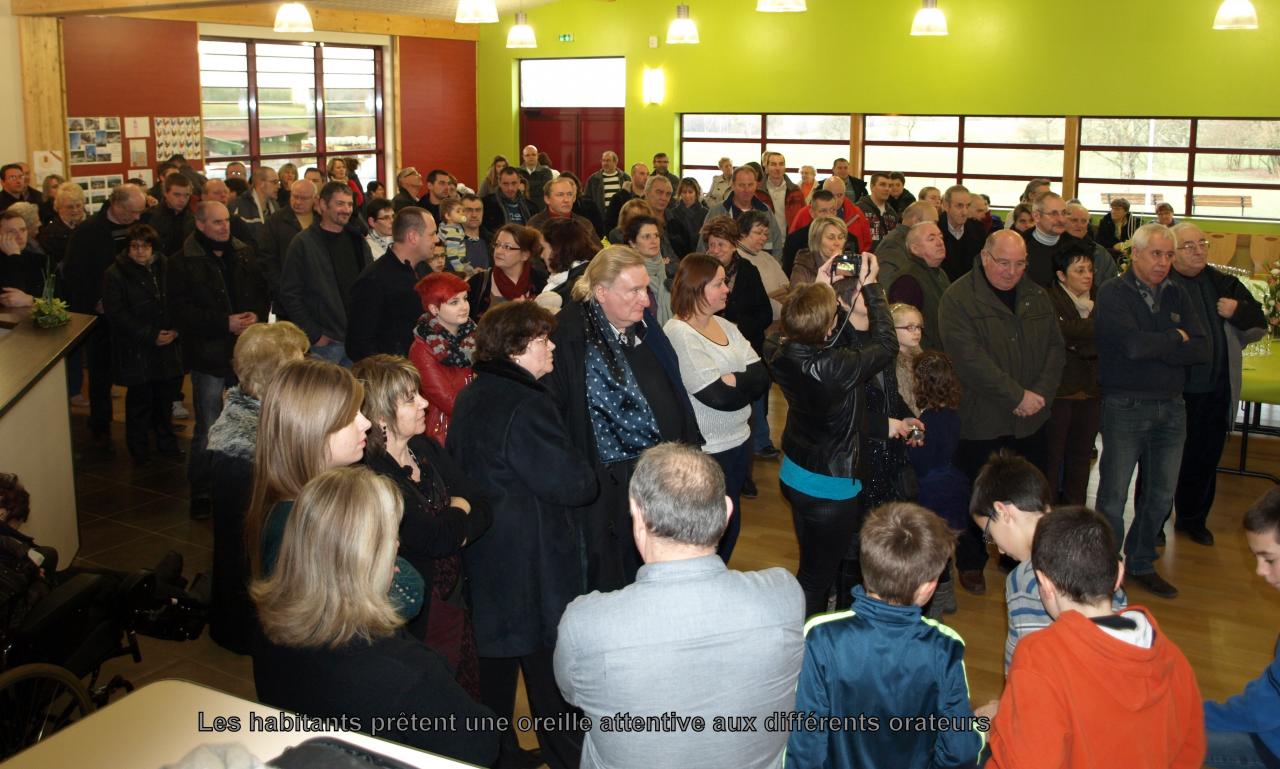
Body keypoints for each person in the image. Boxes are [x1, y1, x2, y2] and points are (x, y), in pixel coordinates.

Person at [554, 443, 804, 769]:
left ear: (637, 515)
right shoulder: (783, 595)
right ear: (728, 512)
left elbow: (573, 695)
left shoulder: (584, 623)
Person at [250, 467, 499, 766]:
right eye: (391, 538)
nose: (397, 545)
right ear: (368, 558)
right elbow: (482, 743)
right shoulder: (408, 674)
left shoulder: (270, 628)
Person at [447, 301, 598, 769]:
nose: (552, 346)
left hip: (489, 548)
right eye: (542, 341)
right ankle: (568, 756)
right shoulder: (527, 404)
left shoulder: (476, 392)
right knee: (546, 669)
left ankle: (497, 754)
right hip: (530, 557)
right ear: (516, 350)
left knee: (494, 665)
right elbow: (574, 483)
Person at [987, 506, 1205, 769]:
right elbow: (1190, 750)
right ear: (1119, 575)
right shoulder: (1172, 656)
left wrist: (997, 726)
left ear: (1044, 583)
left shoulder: (1038, 658)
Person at [542, 246, 701, 591]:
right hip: (607, 486)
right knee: (615, 570)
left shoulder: (643, 324)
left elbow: (674, 386)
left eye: (645, 289)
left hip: (659, 472)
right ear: (601, 292)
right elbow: (557, 417)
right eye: (634, 290)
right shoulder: (568, 336)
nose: (646, 300)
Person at [787, 502, 984, 769]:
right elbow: (961, 752)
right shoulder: (945, 647)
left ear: (865, 565)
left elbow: (805, 742)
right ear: (928, 588)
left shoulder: (822, 636)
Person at [354, 355, 492, 694]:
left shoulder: (424, 446)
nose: (424, 403)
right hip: (418, 616)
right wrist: (459, 512)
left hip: (457, 600)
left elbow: (482, 503)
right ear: (381, 414)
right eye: (410, 398)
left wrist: (453, 525)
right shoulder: (372, 474)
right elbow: (434, 539)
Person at [768, 255, 897, 617]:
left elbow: (805, 327)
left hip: (794, 473)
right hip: (830, 488)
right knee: (815, 578)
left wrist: (819, 289)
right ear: (827, 330)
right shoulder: (834, 367)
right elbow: (888, 346)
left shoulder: (779, 352)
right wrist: (872, 288)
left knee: (811, 563)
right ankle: (805, 647)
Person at [938, 230, 1064, 595]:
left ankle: (1019, 559)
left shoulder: (1036, 295)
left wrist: (1039, 393)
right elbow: (969, 360)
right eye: (1003, 262)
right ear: (984, 257)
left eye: (1020, 263)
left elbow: (1056, 349)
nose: (1011, 272)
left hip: (1031, 419)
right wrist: (1016, 395)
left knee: (1026, 496)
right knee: (976, 496)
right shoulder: (959, 298)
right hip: (982, 419)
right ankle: (972, 561)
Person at [1094, 223, 1208, 599]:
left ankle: (1141, 561)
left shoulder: (1178, 292)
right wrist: (1176, 338)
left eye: (1169, 255)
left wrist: (1159, 344)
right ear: (1136, 254)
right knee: (1113, 494)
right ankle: (1105, 569)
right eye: (1156, 254)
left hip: (1172, 406)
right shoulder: (1113, 292)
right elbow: (1131, 347)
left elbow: (1201, 347)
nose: (1164, 262)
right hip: (1124, 404)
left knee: (1161, 494)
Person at [968, 451, 1127, 673]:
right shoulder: (1095, 549)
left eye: (990, 535)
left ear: (1003, 512)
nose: (1000, 550)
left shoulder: (1023, 580)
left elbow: (1025, 665)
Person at [206, 321, 309, 654]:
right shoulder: (246, 447)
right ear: (276, 374)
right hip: (252, 607)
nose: (305, 365)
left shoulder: (250, 411)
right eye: (299, 359)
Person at [168, 200, 270, 518]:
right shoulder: (182, 261)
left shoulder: (242, 252)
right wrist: (223, 322)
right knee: (209, 424)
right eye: (216, 223)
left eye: (226, 221)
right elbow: (180, 311)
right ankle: (202, 489)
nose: (224, 227)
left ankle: (250, 483)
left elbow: (261, 290)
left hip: (245, 354)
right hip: (207, 354)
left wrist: (257, 313)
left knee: (252, 419)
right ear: (200, 225)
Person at [665, 254, 770, 562]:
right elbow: (717, 398)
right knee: (710, 530)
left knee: (731, 519)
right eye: (719, 283)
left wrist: (733, 380)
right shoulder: (679, 333)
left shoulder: (724, 324)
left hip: (739, 438)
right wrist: (741, 381)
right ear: (697, 287)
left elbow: (762, 377)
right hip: (708, 449)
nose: (727, 289)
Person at [1166, 221, 1266, 545]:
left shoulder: (1223, 282)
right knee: (1162, 461)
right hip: (1171, 393)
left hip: (1215, 389)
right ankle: (1153, 525)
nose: (1199, 251)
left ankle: (1193, 520)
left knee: (1204, 460)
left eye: (1203, 244)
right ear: (1172, 252)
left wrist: (1238, 311)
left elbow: (1259, 324)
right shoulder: (1161, 283)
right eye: (1189, 246)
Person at [65, 183, 148, 453]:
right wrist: (94, 303)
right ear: (117, 205)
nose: (137, 218)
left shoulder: (137, 227)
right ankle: (100, 426)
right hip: (100, 315)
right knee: (100, 375)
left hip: (132, 313)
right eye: (133, 212)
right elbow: (76, 274)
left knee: (138, 372)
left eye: (140, 212)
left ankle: (140, 428)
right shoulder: (88, 232)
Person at [1203, 486, 1280, 769]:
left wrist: (1190, 715)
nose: (1260, 571)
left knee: (1171, 737)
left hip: (1272, 746)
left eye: (1269, 559)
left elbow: (1261, 711)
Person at [101, 222, 183, 465]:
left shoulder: (166, 267)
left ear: (153, 248)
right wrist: (150, 335)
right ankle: (139, 451)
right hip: (136, 347)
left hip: (167, 343)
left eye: (145, 247)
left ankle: (167, 444)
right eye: (134, 247)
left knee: (165, 400)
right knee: (139, 403)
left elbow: (180, 299)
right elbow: (117, 314)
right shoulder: (115, 273)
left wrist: (175, 329)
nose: (140, 252)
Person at [280, 181, 373, 367]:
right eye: (340, 204)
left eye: (349, 204)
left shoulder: (357, 240)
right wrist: (314, 334)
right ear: (322, 205)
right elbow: (290, 294)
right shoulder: (303, 243)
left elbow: (370, 284)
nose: (346, 209)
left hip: (357, 339)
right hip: (325, 343)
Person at [907, 348, 967, 617]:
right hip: (952, 488)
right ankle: (948, 594)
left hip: (929, 492)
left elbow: (919, 459)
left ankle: (934, 607)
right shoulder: (952, 415)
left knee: (930, 550)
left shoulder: (923, 422)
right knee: (944, 546)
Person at [1044, 242, 1101, 506]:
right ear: (1062, 275)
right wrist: (1090, 333)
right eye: (1079, 270)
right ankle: (1049, 512)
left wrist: (1077, 337)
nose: (1087, 275)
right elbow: (1059, 335)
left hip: (1091, 390)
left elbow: (1106, 336)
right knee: (1053, 458)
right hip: (1060, 390)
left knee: (1081, 457)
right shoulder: (1049, 299)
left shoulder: (1099, 300)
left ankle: (1075, 510)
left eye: (1090, 269)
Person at [346, 206, 435, 363]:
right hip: (393, 377)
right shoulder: (373, 280)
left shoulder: (423, 270)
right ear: (413, 237)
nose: (437, 239)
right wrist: (390, 372)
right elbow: (359, 344)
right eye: (432, 234)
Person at [408, 271, 475, 445]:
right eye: (454, 302)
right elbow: (449, 402)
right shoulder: (422, 349)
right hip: (446, 432)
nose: (464, 306)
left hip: (476, 421)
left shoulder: (476, 335)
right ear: (434, 309)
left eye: (465, 299)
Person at [885, 221, 951, 351]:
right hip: (923, 360)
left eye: (941, 237)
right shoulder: (907, 281)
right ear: (915, 248)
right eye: (931, 239)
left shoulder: (939, 273)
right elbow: (903, 329)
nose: (940, 242)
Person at [258, 178, 315, 313]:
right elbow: (267, 259)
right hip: (287, 295)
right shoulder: (275, 221)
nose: (298, 202)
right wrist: (281, 288)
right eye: (295, 196)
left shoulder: (321, 219)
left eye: (304, 198)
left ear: (315, 199)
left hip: (318, 296)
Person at [700, 166, 784, 255]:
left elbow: (776, 245)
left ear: (756, 185)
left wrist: (773, 266)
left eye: (750, 185)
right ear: (732, 185)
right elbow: (702, 247)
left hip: (762, 267)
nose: (746, 190)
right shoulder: (717, 212)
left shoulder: (766, 212)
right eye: (741, 185)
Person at [537, 216, 598, 311]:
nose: (541, 255)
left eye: (543, 248)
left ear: (556, 249)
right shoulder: (594, 271)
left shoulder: (567, 290)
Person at [623, 214, 673, 326]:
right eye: (646, 237)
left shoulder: (664, 269)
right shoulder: (628, 278)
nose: (654, 241)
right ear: (632, 243)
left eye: (656, 235)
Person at [1063, 202, 1119, 285]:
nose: (1079, 225)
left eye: (1084, 221)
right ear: (1062, 221)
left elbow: (1111, 283)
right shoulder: (1053, 247)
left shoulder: (1100, 253)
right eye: (1074, 220)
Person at [939, 185, 987, 281]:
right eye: (959, 206)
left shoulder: (979, 230)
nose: (965, 212)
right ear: (946, 206)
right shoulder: (934, 230)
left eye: (968, 206)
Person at [141, 172, 194, 256]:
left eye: (186, 195)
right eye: (177, 195)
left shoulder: (193, 219)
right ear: (165, 192)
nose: (182, 200)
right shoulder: (149, 216)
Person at [788, 214, 849, 286]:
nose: (837, 243)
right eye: (831, 238)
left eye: (841, 237)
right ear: (817, 240)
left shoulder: (848, 264)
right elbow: (796, 296)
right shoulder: (803, 265)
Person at [0, 209, 44, 305]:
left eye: (23, 230)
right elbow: (11, 300)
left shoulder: (40, 260)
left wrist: (32, 300)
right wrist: (14, 257)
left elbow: (60, 300)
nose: (20, 236)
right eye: (12, 231)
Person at [760, 151, 805, 230]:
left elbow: (803, 218)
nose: (778, 168)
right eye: (773, 164)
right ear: (766, 167)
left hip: (790, 239)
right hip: (764, 239)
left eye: (781, 164)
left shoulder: (796, 192)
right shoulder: (758, 192)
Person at [482, 166, 534, 232]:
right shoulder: (487, 204)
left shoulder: (531, 207)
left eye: (514, 183)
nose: (510, 188)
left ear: (519, 182)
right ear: (499, 183)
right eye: (505, 184)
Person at [856, 172, 899, 250]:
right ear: (872, 187)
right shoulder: (859, 209)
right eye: (882, 184)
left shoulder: (892, 214)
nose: (887, 189)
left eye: (889, 186)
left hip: (886, 257)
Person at [603, 163, 649, 234]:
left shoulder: (651, 198)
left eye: (647, 174)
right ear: (633, 175)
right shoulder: (618, 198)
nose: (646, 177)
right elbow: (610, 224)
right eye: (642, 174)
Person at [585, 150, 629, 220]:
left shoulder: (625, 178)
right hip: (600, 218)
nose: (605, 163)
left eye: (608, 161)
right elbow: (587, 200)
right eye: (603, 160)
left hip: (621, 218)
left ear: (615, 162)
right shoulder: (593, 180)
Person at [437, 197, 469, 272]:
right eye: (458, 211)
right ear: (448, 216)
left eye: (463, 211)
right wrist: (461, 270)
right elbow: (452, 255)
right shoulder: (452, 233)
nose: (462, 213)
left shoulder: (445, 226)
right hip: (453, 265)